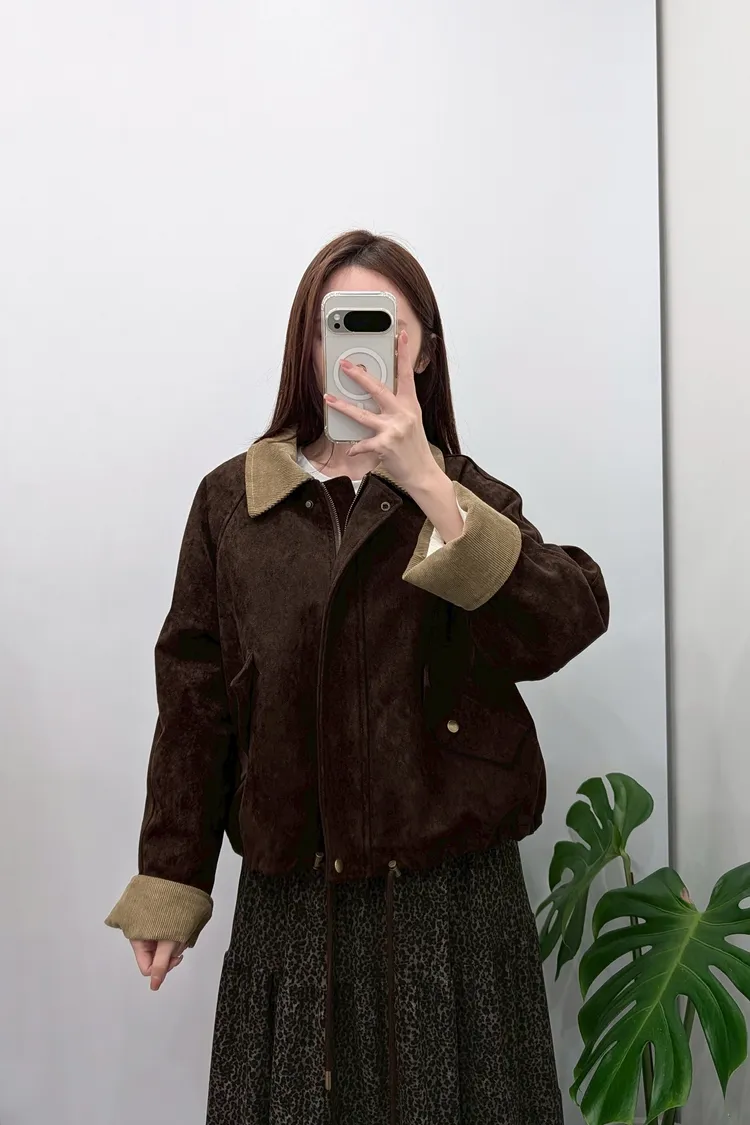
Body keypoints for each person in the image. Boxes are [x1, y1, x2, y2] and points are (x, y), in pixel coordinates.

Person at [105, 229, 609, 1125]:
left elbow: (563, 622)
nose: (357, 346)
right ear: (307, 345)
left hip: (451, 915)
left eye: (385, 324)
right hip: (294, 911)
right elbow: (196, 696)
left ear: (423, 350)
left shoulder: (461, 494)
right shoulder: (235, 503)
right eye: (334, 324)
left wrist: (432, 488)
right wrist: (172, 872)